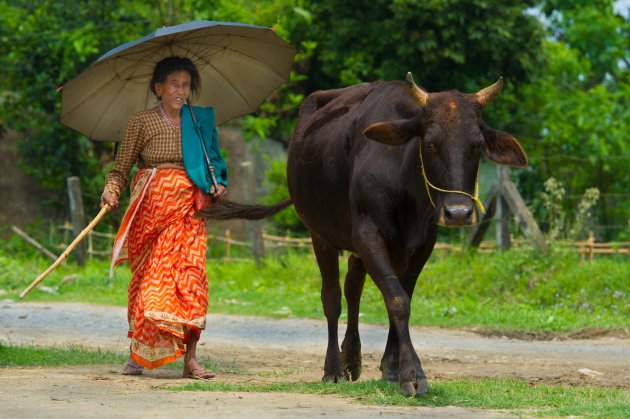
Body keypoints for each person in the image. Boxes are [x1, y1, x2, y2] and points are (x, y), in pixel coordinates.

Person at [101, 56, 227, 379]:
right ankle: (139, 356)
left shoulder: (198, 123)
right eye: (174, 84)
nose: (180, 90)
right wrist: (111, 190)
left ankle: (191, 360)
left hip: (189, 213)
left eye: (186, 85)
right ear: (158, 88)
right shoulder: (140, 122)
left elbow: (213, 160)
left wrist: (218, 182)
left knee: (192, 279)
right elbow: (120, 169)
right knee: (150, 283)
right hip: (151, 215)